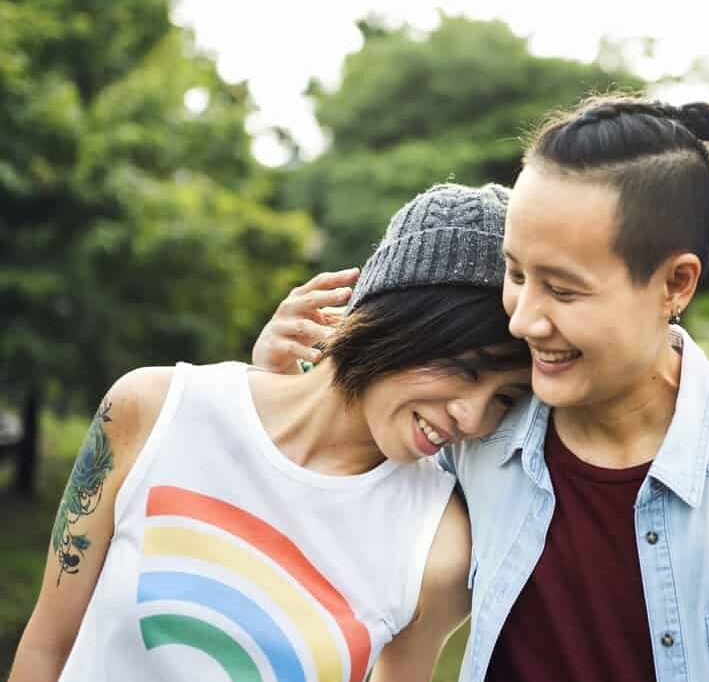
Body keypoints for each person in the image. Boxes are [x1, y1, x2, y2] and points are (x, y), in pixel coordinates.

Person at [258, 94, 709, 682]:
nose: (523, 319)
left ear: (675, 285)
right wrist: (277, 387)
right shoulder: (472, 435)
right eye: (515, 273)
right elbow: (321, 500)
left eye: (562, 289)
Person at [9, 184, 533, 682]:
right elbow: (46, 647)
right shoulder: (152, 409)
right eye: (467, 369)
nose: (473, 418)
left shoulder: (437, 545)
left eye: (505, 399)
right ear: (399, 318)